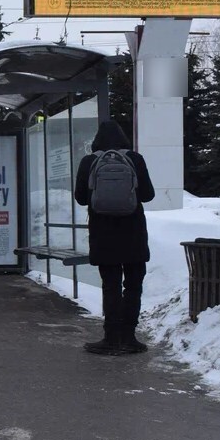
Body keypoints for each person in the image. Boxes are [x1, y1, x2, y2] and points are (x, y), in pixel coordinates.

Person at [74, 120, 156, 354]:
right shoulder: (135, 159)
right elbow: (148, 195)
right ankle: (129, 338)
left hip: (103, 234)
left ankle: (110, 337)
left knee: (110, 285)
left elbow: (80, 197)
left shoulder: (89, 162)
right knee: (133, 285)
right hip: (133, 233)